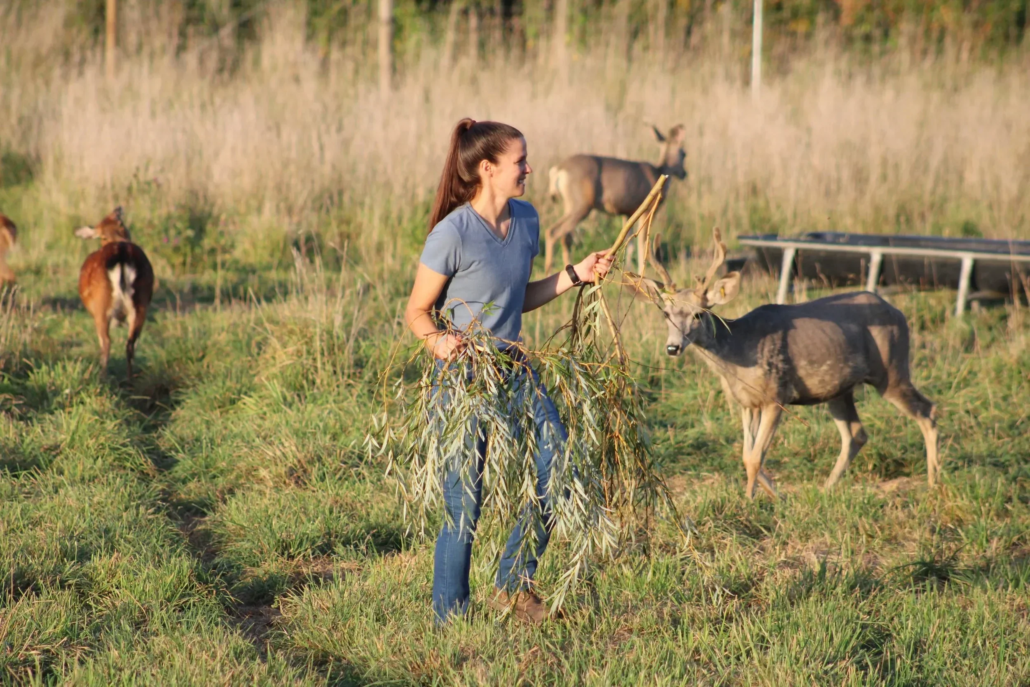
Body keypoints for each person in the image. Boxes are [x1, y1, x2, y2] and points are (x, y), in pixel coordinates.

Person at [405, 118, 613, 625]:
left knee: (557, 470)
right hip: (463, 378)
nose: (530, 168)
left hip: (515, 368)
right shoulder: (451, 233)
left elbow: (513, 298)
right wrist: (442, 343)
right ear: (487, 169)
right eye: (520, 161)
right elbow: (416, 312)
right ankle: (449, 622)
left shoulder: (527, 220)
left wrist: (574, 276)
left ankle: (512, 586)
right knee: (465, 504)